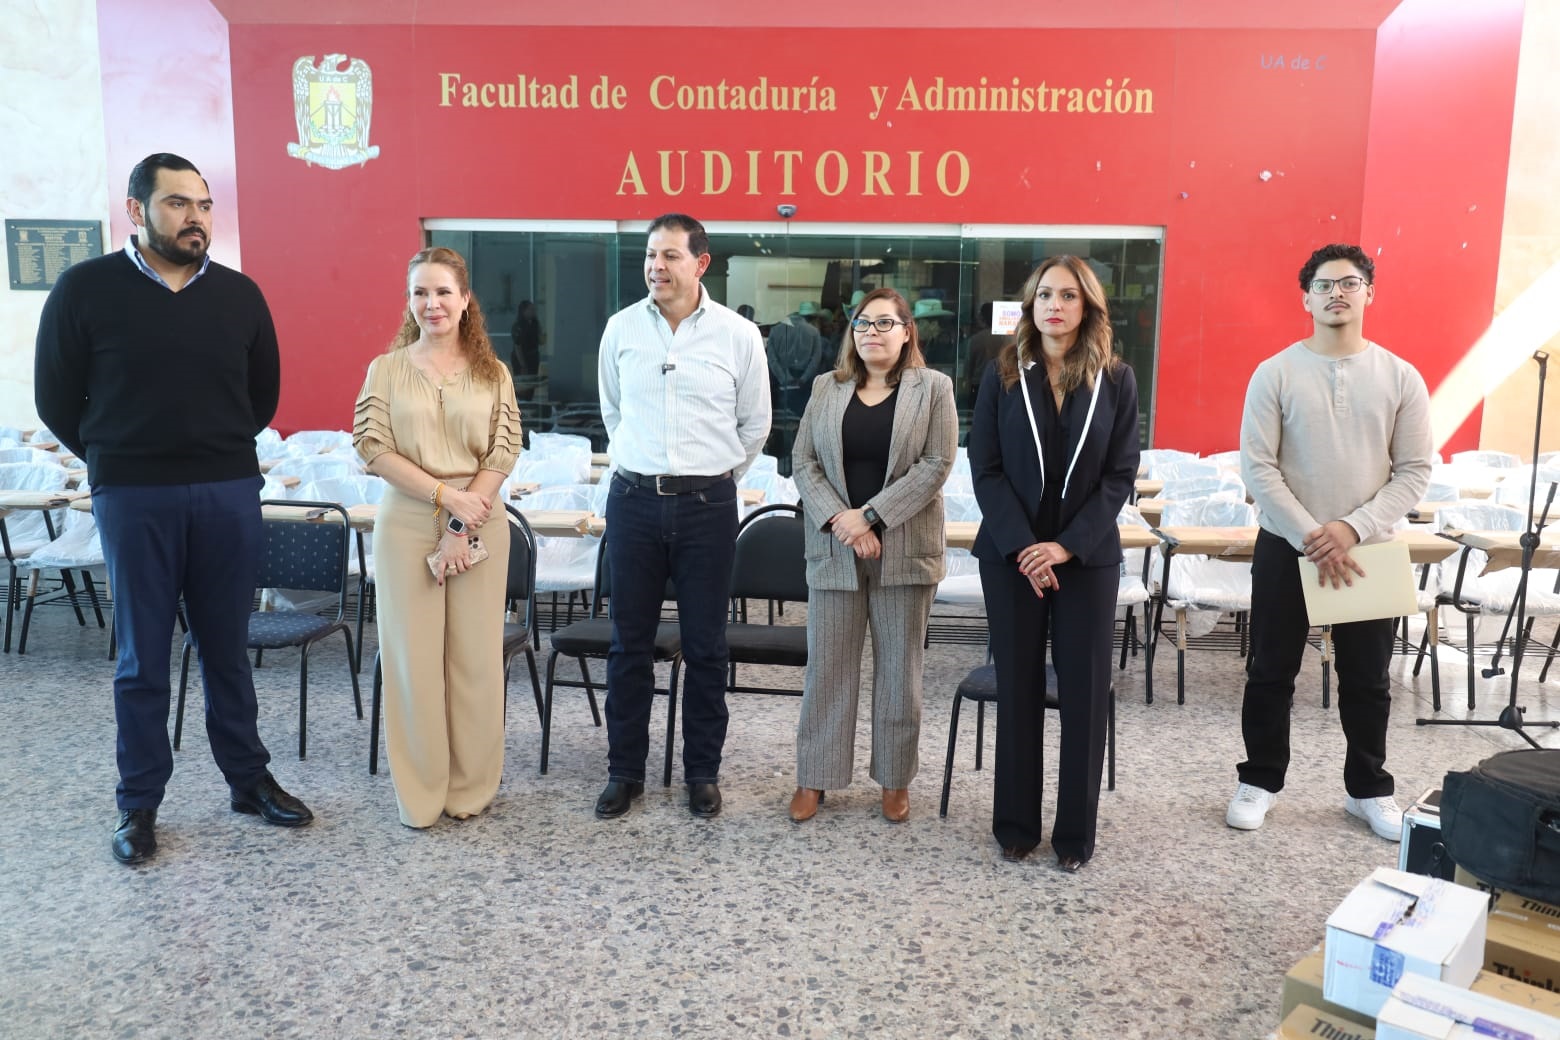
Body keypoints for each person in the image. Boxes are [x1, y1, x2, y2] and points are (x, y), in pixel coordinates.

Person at [33, 152, 312, 865]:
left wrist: (209, 452)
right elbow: (55, 400)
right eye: (178, 203)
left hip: (227, 491)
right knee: (141, 657)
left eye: (204, 205)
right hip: (134, 495)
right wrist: (119, 457)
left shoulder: (240, 295)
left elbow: (262, 398)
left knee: (228, 649)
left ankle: (247, 781)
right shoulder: (84, 289)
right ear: (136, 210)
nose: (196, 218)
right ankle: (139, 803)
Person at [1227, 244, 1431, 841]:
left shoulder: (1401, 376)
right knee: (1271, 671)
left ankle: (1368, 790)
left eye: (1349, 283)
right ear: (1306, 299)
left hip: (1369, 550)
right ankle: (1260, 780)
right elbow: (1258, 466)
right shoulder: (1275, 372)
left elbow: (1414, 471)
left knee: (1368, 679)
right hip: (1285, 545)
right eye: (1323, 285)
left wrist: (1350, 530)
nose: (1336, 293)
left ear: (1370, 293)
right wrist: (1311, 535)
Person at [595, 213, 771, 820]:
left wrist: (713, 478)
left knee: (706, 645)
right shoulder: (620, 328)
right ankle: (625, 772)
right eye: (650, 255)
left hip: (707, 507)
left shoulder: (737, 335)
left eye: (670, 255)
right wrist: (646, 465)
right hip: (634, 501)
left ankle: (702, 773)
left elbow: (755, 424)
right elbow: (613, 413)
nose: (656, 266)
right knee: (628, 644)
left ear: (701, 264)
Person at [968, 256, 1140, 871]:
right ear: (1030, 304)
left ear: (1087, 306)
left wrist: (1064, 547)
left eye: (1068, 295)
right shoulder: (1003, 373)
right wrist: (1025, 547)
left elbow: (1120, 475)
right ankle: (1016, 827)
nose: (1055, 305)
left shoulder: (1116, 379)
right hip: (1011, 557)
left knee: (1084, 697)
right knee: (1017, 689)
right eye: (1045, 294)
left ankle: (1074, 837)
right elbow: (985, 467)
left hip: (1085, 560)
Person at [353, 246, 520, 828]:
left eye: (443, 291)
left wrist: (459, 522)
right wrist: (446, 498)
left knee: (475, 661)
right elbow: (373, 447)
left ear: (465, 299)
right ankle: (421, 795)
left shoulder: (493, 373)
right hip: (407, 524)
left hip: (480, 518)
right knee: (412, 665)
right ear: (409, 302)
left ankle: (470, 789)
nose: (432, 303)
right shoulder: (385, 369)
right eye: (420, 293)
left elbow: (503, 451)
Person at [789, 288, 957, 823]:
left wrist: (870, 516)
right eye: (862, 323)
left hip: (904, 550)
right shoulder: (827, 387)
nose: (871, 333)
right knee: (827, 670)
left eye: (885, 323)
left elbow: (936, 464)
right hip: (836, 549)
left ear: (908, 332)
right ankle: (815, 776)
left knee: (899, 674)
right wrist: (845, 522)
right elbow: (803, 461)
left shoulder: (933, 389)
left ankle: (894, 778)